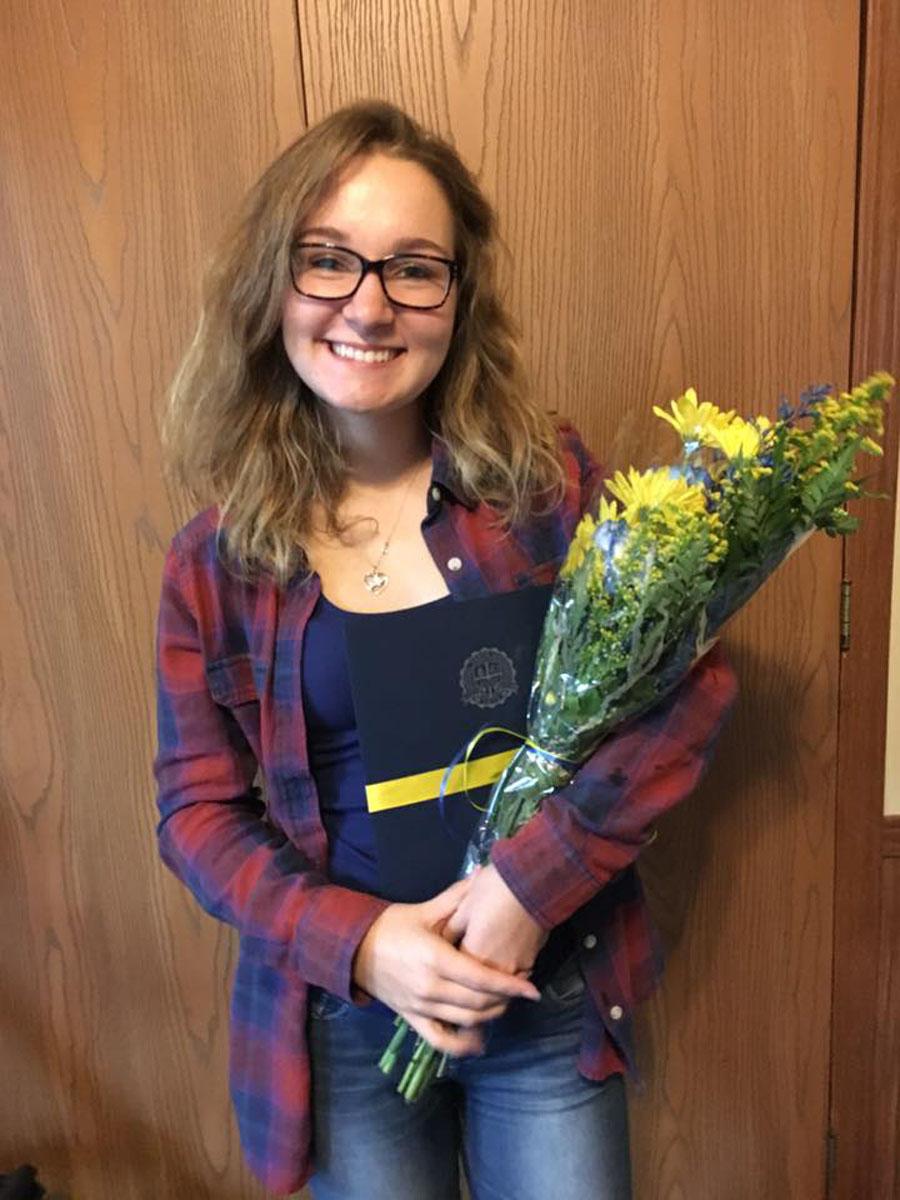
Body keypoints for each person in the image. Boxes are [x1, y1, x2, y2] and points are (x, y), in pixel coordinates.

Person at [155, 100, 738, 1200]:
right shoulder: (213, 563)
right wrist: (365, 945)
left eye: (415, 269)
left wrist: (529, 887)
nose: (369, 307)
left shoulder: (546, 488)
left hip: (544, 989)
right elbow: (194, 813)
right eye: (328, 261)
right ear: (273, 284)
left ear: (458, 300)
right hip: (343, 1014)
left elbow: (689, 693)